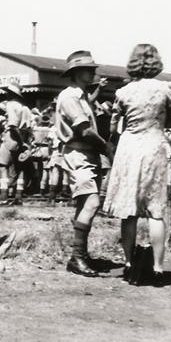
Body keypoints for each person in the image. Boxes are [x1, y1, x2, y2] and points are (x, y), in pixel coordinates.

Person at [103, 44, 171, 286]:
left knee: (129, 211)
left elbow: (114, 127)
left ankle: (129, 263)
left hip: (130, 148)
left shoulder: (123, 92)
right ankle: (158, 267)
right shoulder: (166, 89)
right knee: (156, 210)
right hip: (155, 146)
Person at [56, 50, 109, 277]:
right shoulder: (70, 97)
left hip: (88, 155)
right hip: (79, 154)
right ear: (78, 72)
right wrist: (106, 146)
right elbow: (84, 129)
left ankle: (81, 253)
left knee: (84, 206)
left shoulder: (82, 95)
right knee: (92, 202)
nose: (93, 73)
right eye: (90, 69)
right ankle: (77, 257)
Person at [0, 83, 33, 205]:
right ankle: (18, 196)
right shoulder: (25, 108)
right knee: (20, 168)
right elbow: (28, 128)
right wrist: (25, 143)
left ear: (10, 94)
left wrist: (21, 142)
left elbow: (13, 125)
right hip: (23, 137)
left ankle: (3, 196)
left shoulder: (10, 105)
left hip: (11, 137)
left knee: (3, 167)